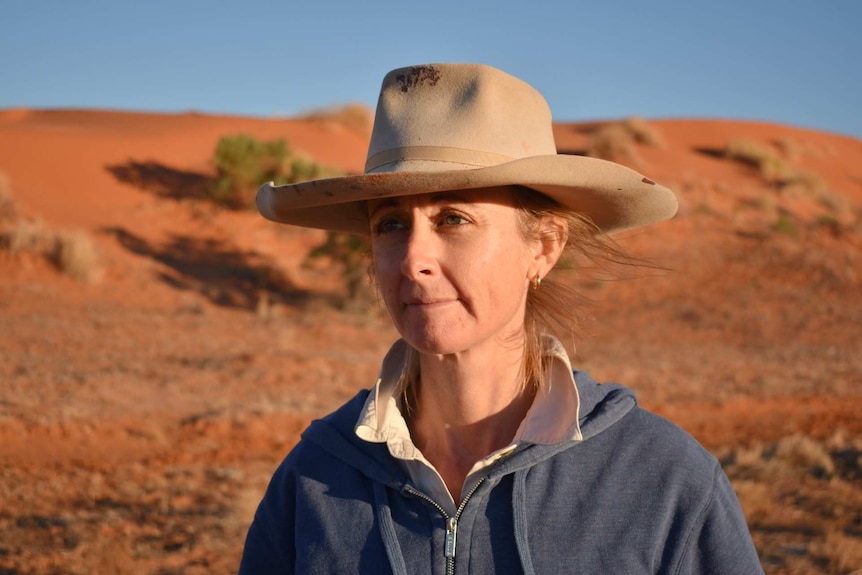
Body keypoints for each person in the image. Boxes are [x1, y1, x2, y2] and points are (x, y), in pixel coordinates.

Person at [238, 63, 763, 574]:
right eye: (391, 224)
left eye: (454, 219)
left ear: (544, 246)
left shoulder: (659, 479)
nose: (413, 259)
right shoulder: (316, 476)